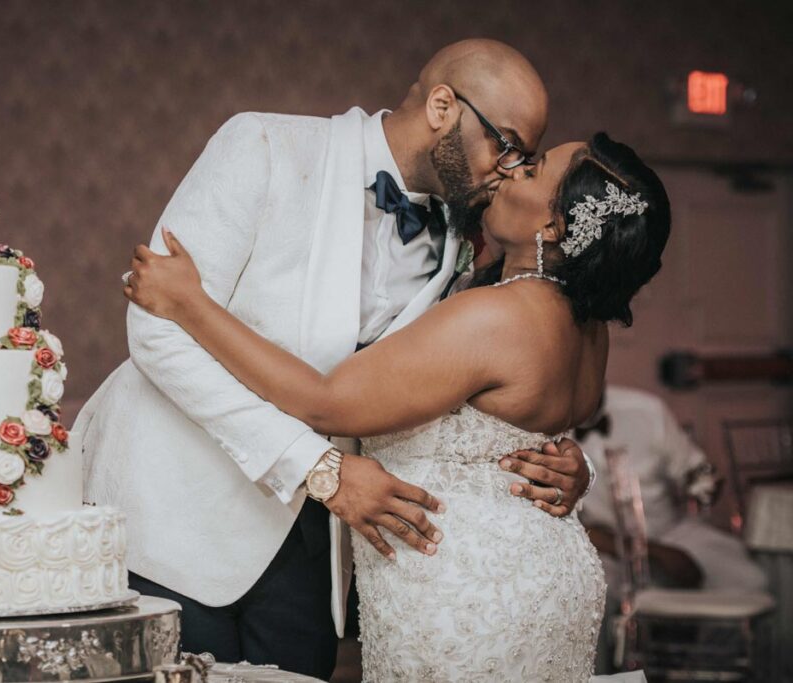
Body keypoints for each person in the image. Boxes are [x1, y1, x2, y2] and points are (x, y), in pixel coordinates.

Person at [76, 39, 593, 678]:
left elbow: (477, 379)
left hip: (318, 550)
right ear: (442, 107)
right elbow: (158, 331)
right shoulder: (264, 145)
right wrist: (318, 468)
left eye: (527, 159)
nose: (511, 171)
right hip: (175, 518)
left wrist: (564, 461)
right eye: (506, 145)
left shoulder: (470, 235)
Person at [124, 132, 672, 679]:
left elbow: (323, 403)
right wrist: (581, 470)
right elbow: (524, 432)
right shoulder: (588, 327)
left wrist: (190, 304)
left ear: (553, 228)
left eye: (531, 171)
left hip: (465, 590)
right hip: (548, 577)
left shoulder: (498, 316)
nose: (510, 170)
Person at [579, 385, 768, 593]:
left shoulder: (646, 409)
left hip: (669, 533)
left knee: (750, 580)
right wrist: (654, 552)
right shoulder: (552, 423)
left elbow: (693, 469)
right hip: (600, 547)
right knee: (591, 591)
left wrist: (704, 483)